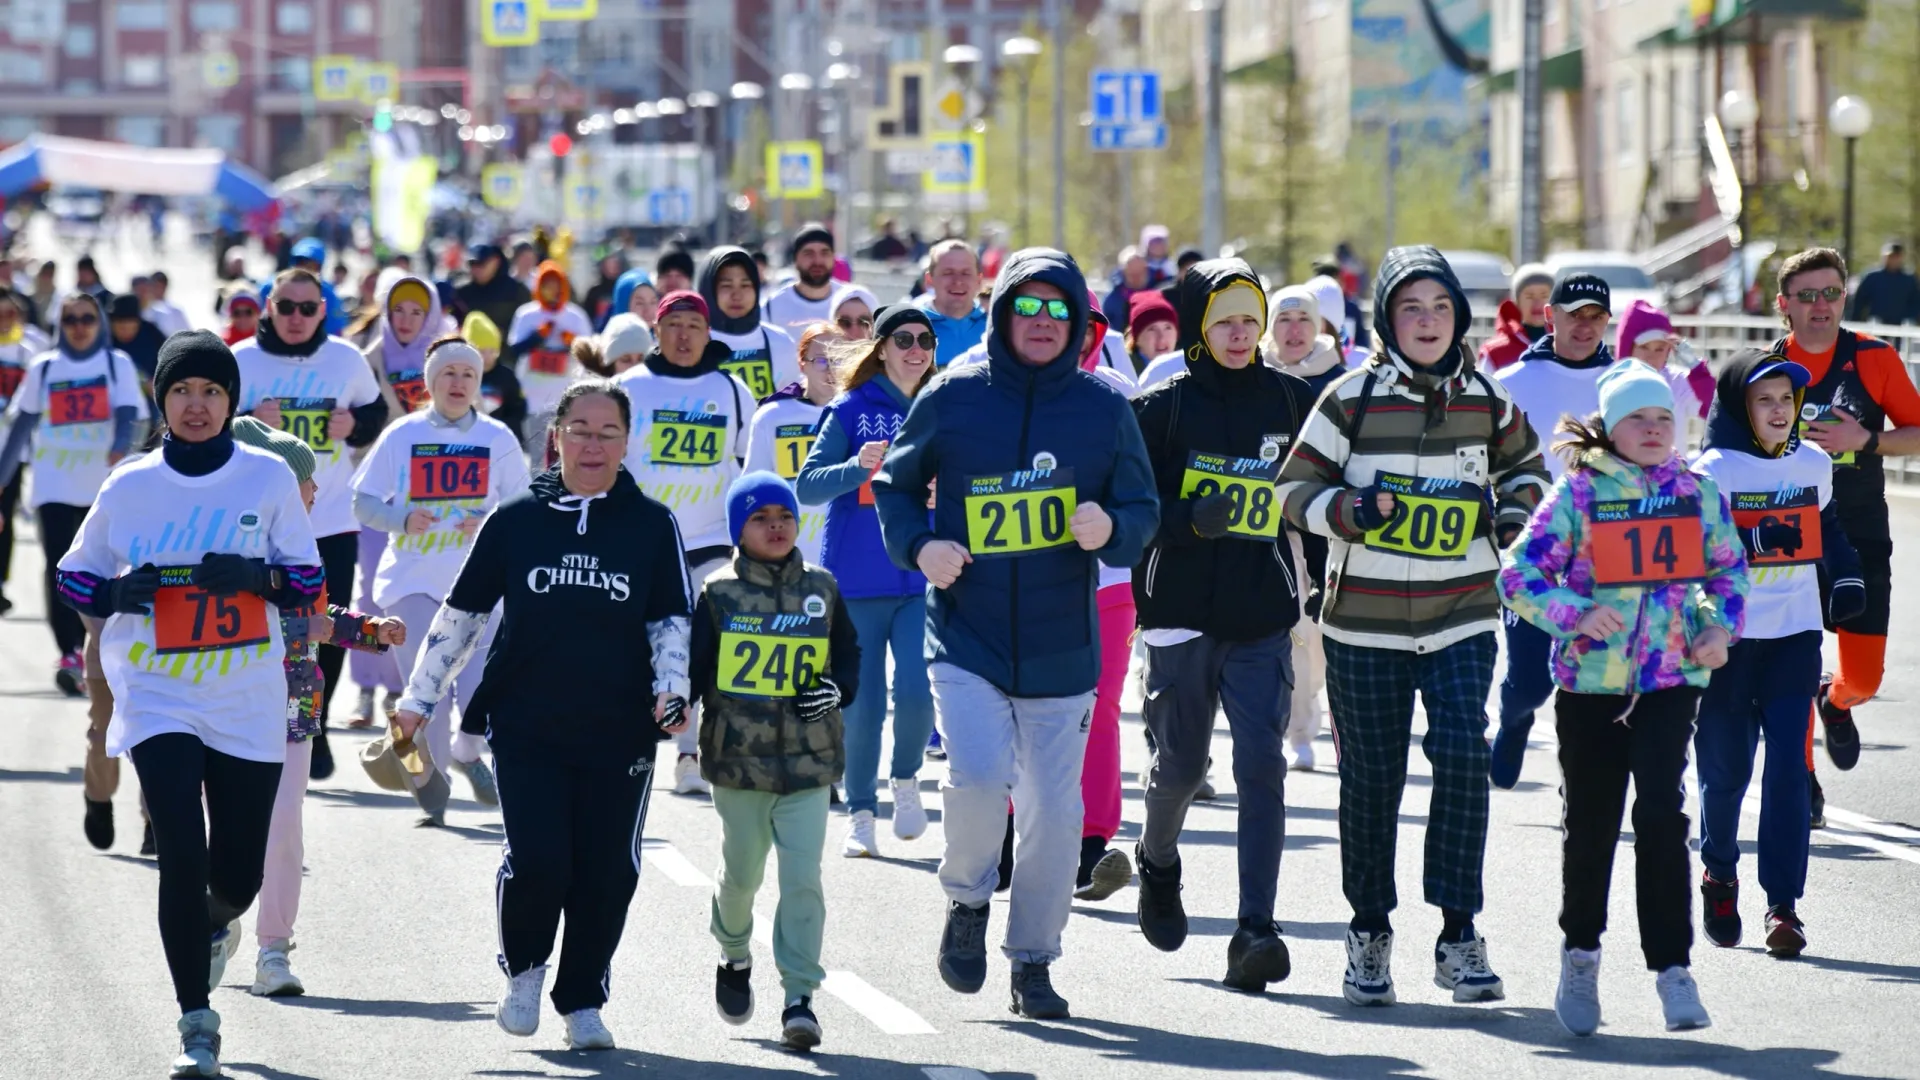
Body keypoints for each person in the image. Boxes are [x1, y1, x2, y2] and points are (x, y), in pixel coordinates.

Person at [872, 248, 1159, 1018]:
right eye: (1027, 308)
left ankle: (1033, 959)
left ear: (1079, 321)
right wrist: (920, 546)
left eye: (1058, 310)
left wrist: (1113, 528)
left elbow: (1143, 512)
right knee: (975, 781)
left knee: (1056, 814)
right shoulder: (955, 393)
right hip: (968, 632)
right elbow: (896, 487)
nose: (1042, 323)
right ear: (1001, 315)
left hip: (1064, 642)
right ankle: (967, 903)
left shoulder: (1104, 408)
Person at [1276, 245, 1550, 1008]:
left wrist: (1513, 518)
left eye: (1439, 308)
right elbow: (1291, 490)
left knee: (1463, 758)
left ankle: (1459, 935)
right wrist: (1350, 513)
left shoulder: (1487, 400)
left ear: (1458, 317)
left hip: (1461, 613)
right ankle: (1369, 932)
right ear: (1388, 320)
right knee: (1372, 782)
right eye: (1410, 309)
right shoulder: (1350, 398)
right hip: (1361, 625)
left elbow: (1530, 472)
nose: (1426, 322)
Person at [393, 380, 693, 1052]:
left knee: (609, 868)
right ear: (556, 435)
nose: (593, 444)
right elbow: (461, 615)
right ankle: (525, 971)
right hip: (528, 724)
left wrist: (672, 689)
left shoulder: (651, 523)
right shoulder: (516, 519)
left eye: (607, 432)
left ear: (626, 439)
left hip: (619, 728)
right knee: (540, 861)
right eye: (579, 429)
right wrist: (420, 699)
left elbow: (671, 618)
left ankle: (582, 999)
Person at [55, 331, 324, 1078]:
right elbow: (73, 575)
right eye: (181, 392)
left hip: (246, 696)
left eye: (210, 392)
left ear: (229, 401)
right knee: (179, 841)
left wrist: (257, 578)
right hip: (156, 689)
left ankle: (215, 922)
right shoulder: (129, 484)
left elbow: (306, 579)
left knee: (236, 872)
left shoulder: (267, 477)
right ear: (162, 402)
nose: (196, 405)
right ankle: (196, 1024)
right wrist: (114, 594)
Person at [1498, 361, 1745, 1037]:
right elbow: (1517, 573)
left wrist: (1720, 627)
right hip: (1590, 688)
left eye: (1664, 417)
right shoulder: (1579, 494)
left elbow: (1729, 570)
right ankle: (1580, 957)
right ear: (1609, 427)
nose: (1654, 429)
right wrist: (1574, 613)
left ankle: (1673, 970)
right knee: (1593, 826)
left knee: (1663, 817)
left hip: (1669, 682)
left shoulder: (1697, 492)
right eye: (1638, 418)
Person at [1129, 259, 1314, 991]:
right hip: (1177, 609)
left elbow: (1314, 490)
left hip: (1260, 609)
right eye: (1225, 322)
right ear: (1202, 327)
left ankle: (1255, 929)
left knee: (1261, 764)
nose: (1241, 335)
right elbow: (1131, 510)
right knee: (1181, 768)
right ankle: (1158, 858)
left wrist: (1324, 571)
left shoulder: (1292, 398)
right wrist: (1186, 521)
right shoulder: (1164, 406)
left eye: (1250, 320)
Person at [1691, 348, 1863, 960]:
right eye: (1764, 399)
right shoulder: (1713, 469)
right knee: (1725, 776)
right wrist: (1753, 539)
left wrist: (1845, 575)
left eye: (1787, 400)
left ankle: (1782, 905)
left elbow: (1829, 529)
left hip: (1794, 636)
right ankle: (1718, 872)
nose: (1779, 410)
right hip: (1727, 642)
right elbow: (1693, 552)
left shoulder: (1815, 462)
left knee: (1789, 771)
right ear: (1741, 405)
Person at [228, 415, 405, 997]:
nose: (315, 490)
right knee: (222, 833)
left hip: (292, 713)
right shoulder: (222, 546)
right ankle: (214, 924)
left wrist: (372, 630)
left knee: (283, 833)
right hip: (224, 710)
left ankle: (273, 952)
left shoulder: (306, 552)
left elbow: (315, 624)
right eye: (306, 480)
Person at [697, 471, 862, 1051]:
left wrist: (838, 689)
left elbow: (848, 655)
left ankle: (800, 998)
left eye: (785, 517)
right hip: (738, 765)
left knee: (803, 880)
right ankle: (735, 954)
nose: (775, 527)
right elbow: (694, 672)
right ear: (738, 529)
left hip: (809, 764)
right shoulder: (717, 593)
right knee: (742, 875)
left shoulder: (823, 586)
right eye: (760, 519)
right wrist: (668, 718)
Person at [353, 337, 530, 820]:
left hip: (481, 586)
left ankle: (465, 752)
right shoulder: (402, 435)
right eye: (448, 373)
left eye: (468, 375)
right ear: (432, 383)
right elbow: (362, 501)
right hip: (412, 581)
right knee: (423, 688)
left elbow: (527, 507)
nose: (458, 382)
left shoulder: (497, 439)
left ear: (478, 384)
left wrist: (494, 518)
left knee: (477, 692)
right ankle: (429, 782)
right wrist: (402, 520)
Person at [1771, 249, 1920, 821]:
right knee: (1797, 657)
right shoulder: (1764, 365)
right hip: (1787, 528)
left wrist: (1868, 439)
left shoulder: (1873, 359)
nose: (1820, 306)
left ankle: (1836, 702)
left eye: (1830, 293)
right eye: (1806, 296)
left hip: (1858, 529)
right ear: (1784, 305)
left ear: (1843, 298)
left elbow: (1916, 431)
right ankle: (1802, 777)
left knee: (1864, 677)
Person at [234, 268, 389, 779]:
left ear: (323, 310)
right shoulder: (241, 362)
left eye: (307, 308)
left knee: (327, 626)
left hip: (330, 517)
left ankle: (312, 726)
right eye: (286, 307)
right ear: (268, 307)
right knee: (268, 628)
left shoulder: (344, 358)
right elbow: (208, 433)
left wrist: (356, 424)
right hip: (261, 526)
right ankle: (261, 723)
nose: (296, 318)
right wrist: (249, 423)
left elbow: (376, 411)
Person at [796, 307, 939, 858]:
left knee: (917, 689)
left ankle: (905, 780)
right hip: (856, 578)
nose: (915, 348)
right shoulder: (850, 408)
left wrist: (941, 493)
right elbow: (809, 486)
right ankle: (860, 811)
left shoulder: (943, 406)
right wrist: (857, 465)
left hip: (920, 574)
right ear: (880, 347)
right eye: (902, 338)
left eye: (925, 340)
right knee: (863, 705)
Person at [615, 291, 755, 795]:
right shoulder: (629, 387)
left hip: (710, 540)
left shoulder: (733, 391)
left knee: (697, 648)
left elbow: (749, 467)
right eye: (673, 324)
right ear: (656, 330)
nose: (683, 335)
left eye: (694, 325)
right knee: (639, 649)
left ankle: (690, 752)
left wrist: (748, 540)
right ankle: (633, 742)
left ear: (708, 333)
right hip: (643, 540)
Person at [1488, 272, 1617, 789]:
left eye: (1596, 316)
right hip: (1535, 556)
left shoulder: (1623, 384)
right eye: (1574, 314)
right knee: (1530, 683)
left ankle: (1582, 779)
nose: (1584, 326)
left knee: (1595, 680)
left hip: (1608, 555)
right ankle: (1514, 718)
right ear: (1549, 316)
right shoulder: (1512, 381)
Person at [0, 293, 147, 695]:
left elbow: (130, 413)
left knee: (108, 568)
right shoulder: (44, 368)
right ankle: (68, 652)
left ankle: (105, 644)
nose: (79, 326)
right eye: (70, 319)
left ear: (99, 322)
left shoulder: (115, 365)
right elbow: (20, 428)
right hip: (54, 487)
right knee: (60, 569)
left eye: (87, 318)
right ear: (59, 325)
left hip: (104, 489)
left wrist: (120, 443)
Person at [1260, 284, 1343, 770]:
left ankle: (1322, 706)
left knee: (1321, 631)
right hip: (1270, 524)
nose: (1293, 330)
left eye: (1303, 320)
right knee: (1288, 629)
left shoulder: (1336, 380)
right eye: (1283, 319)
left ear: (1318, 327)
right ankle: (1298, 731)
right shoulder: (1255, 375)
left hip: (1323, 521)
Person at [746, 322, 838, 565]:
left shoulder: (861, 414)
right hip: (789, 554)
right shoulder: (773, 416)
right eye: (821, 360)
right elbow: (753, 488)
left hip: (847, 553)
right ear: (801, 364)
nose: (831, 369)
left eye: (839, 359)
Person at [504, 260, 592, 448]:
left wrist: (573, 342)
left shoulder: (576, 316)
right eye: (547, 286)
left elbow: (591, 355)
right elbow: (514, 350)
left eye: (556, 286)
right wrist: (537, 336)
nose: (552, 291)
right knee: (537, 452)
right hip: (533, 397)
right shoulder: (526, 314)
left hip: (566, 396)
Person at [0, 289, 50, 616]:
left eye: (10, 314)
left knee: (5, 520)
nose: (5, 321)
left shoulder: (29, 352)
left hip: (10, 453)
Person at [697, 247, 799, 403]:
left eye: (745, 285)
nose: (737, 295)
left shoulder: (781, 342)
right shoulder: (691, 345)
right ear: (709, 290)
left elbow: (791, 410)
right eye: (726, 285)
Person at [1616, 300, 1714, 445]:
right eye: (1644, 347)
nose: (1652, 356)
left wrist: (1696, 368)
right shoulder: (1610, 384)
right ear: (1627, 348)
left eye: (1660, 349)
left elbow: (1713, 411)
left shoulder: (1678, 382)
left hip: (1671, 467)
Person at [917, 240, 988, 366]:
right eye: (948, 273)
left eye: (966, 273)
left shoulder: (996, 328)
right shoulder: (910, 327)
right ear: (929, 279)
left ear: (979, 280)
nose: (958, 281)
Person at [762, 223, 840, 337]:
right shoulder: (771, 307)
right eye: (808, 253)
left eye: (825, 253)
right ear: (795, 259)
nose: (817, 261)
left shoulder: (854, 302)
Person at [259, 238, 349, 335]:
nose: (305, 268)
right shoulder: (271, 287)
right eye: (300, 261)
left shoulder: (329, 295)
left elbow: (336, 329)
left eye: (312, 264)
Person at [463, 310, 526, 443]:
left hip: (500, 439)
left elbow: (518, 408)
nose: (487, 357)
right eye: (481, 351)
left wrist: (503, 429)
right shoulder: (463, 376)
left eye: (492, 351)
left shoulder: (506, 376)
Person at [1478, 263, 1554, 371]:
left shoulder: (1568, 347)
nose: (1537, 303)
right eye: (1529, 296)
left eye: (1544, 296)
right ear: (1517, 302)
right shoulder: (1495, 353)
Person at [452, 244, 534, 336]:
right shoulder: (461, 292)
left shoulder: (517, 291)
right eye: (472, 264)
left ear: (496, 261)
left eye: (481, 263)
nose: (476, 268)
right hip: (469, 348)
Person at [1847, 242, 1920, 325]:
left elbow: (1916, 303)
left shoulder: (1909, 279)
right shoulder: (1872, 277)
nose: (1893, 260)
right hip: (1875, 325)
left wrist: (1910, 318)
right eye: (1891, 256)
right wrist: (1856, 320)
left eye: (1896, 256)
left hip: (1901, 327)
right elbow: (1859, 301)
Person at [108, 293, 168, 383]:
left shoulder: (151, 333)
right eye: (121, 327)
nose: (125, 331)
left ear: (138, 323)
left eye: (129, 326)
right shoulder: (105, 340)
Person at [573, 314, 654, 379]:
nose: (635, 367)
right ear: (611, 365)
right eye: (626, 360)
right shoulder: (592, 394)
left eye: (641, 359)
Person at [1125, 290, 1179, 377]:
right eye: (1152, 329)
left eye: (1168, 328)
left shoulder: (1188, 367)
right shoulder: (1124, 373)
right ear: (1136, 338)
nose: (1162, 337)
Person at [1102, 248, 1154, 333]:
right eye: (1132, 274)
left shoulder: (1157, 294)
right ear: (1123, 272)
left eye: (1140, 273)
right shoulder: (1112, 299)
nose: (1137, 278)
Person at [580, 252, 626, 328]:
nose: (613, 267)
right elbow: (587, 316)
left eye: (615, 264)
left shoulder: (622, 290)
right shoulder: (594, 291)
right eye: (609, 264)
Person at [608, 268, 659, 332]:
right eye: (640, 303)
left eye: (653, 302)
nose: (648, 310)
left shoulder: (663, 340)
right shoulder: (610, 341)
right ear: (623, 305)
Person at [146, 270, 192, 337]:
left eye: (162, 285)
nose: (159, 289)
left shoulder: (176, 312)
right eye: (156, 286)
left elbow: (187, 336)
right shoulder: (144, 309)